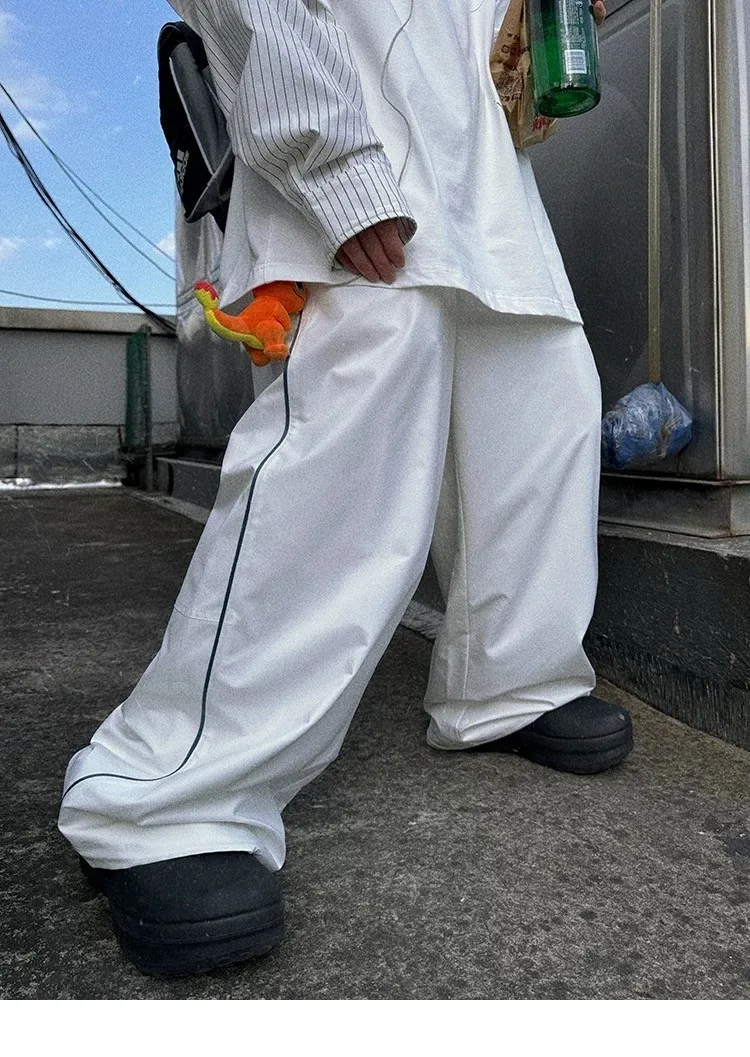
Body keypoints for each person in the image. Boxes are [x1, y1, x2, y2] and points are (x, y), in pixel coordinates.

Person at [59, 0, 628, 979]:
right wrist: (326, 155)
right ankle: (164, 795)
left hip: (479, 159)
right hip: (347, 103)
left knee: (542, 394)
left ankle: (509, 677)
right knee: (357, 418)